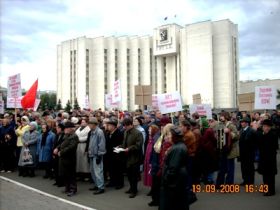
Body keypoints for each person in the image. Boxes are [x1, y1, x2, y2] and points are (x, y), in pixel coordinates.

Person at [159, 126, 189, 210]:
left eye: (169, 135)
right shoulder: (178, 146)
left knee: (173, 202)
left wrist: (165, 179)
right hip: (178, 179)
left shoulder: (177, 149)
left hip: (175, 181)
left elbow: (173, 168)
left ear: (175, 137)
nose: (168, 137)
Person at [121, 117, 143, 198]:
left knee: (134, 176)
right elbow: (124, 143)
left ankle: (134, 190)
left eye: (126, 126)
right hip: (127, 157)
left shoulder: (138, 133)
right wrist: (119, 147)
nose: (124, 127)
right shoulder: (126, 132)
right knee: (129, 175)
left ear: (130, 125)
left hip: (135, 157)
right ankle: (131, 188)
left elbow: (138, 145)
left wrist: (129, 148)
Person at [216, 112, 239, 186]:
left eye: (221, 116)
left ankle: (229, 185)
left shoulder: (231, 125)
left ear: (226, 116)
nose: (220, 117)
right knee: (222, 167)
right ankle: (220, 183)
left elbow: (237, 136)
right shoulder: (220, 125)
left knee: (230, 169)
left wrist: (229, 132)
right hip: (223, 149)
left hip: (230, 150)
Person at [257, 119, 278, 196]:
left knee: (270, 175)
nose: (264, 128)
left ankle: (271, 191)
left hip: (270, 158)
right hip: (263, 157)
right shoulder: (263, 134)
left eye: (266, 126)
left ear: (269, 127)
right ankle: (266, 188)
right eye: (263, 126)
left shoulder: (272, 135)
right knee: (265, 175)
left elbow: (273, 147)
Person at [58, 121, 79, 196]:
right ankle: (67, 188)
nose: (64, 130)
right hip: (64, 158)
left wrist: (62, 152)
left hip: (70, 158)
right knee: (65, 173)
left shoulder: (74, 136)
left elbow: (71, 147)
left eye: (66, 128)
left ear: (70, 129)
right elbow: (62, 143)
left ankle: (73, 189)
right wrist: (57, 148)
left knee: (71, 174)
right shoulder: (66, 135)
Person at [86, 118, 106, 195]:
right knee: (93, 171)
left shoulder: (99, 132)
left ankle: (101, 187)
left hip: (97, 155)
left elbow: (101, 145)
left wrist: (99, 155)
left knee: (98, 172)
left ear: (94, 124)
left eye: (90, 124)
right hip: (92, 154)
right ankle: (97, 185)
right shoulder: (92, 131)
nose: (89, 125)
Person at [105, 117, 124, 189]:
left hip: (117, 155)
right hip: (109, 154)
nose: (107, 127)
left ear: (113, 126)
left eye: (109, 125)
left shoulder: (119, 133)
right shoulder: (108, 133)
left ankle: (119, 183)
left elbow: (120, 144)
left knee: (118, 170)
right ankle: (112, 182)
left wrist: (116, 149)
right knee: (111, 169)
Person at [239, 117, 256, 185]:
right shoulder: (242, 130)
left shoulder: (251, 131)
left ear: (247, 123)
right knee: (243, 167)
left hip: (249, 153)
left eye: (243, 122)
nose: (242, 123)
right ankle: (245, 180)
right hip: (242, 152)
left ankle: (250, 182)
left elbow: (253, 143)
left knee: (250, 168)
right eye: (241, 122)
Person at [52, 123, 65, 187]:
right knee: (56, 167)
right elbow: (54, 144)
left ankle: (61, 182)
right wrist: (53, 153)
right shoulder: (57, 135)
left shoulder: (63, 135)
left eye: (58, 127)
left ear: (61, 128)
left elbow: (62, 144)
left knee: (60, 168)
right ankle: (57, 181)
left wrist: (58, 149)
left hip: (60, 153)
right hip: (55, 153)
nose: (56, 128)